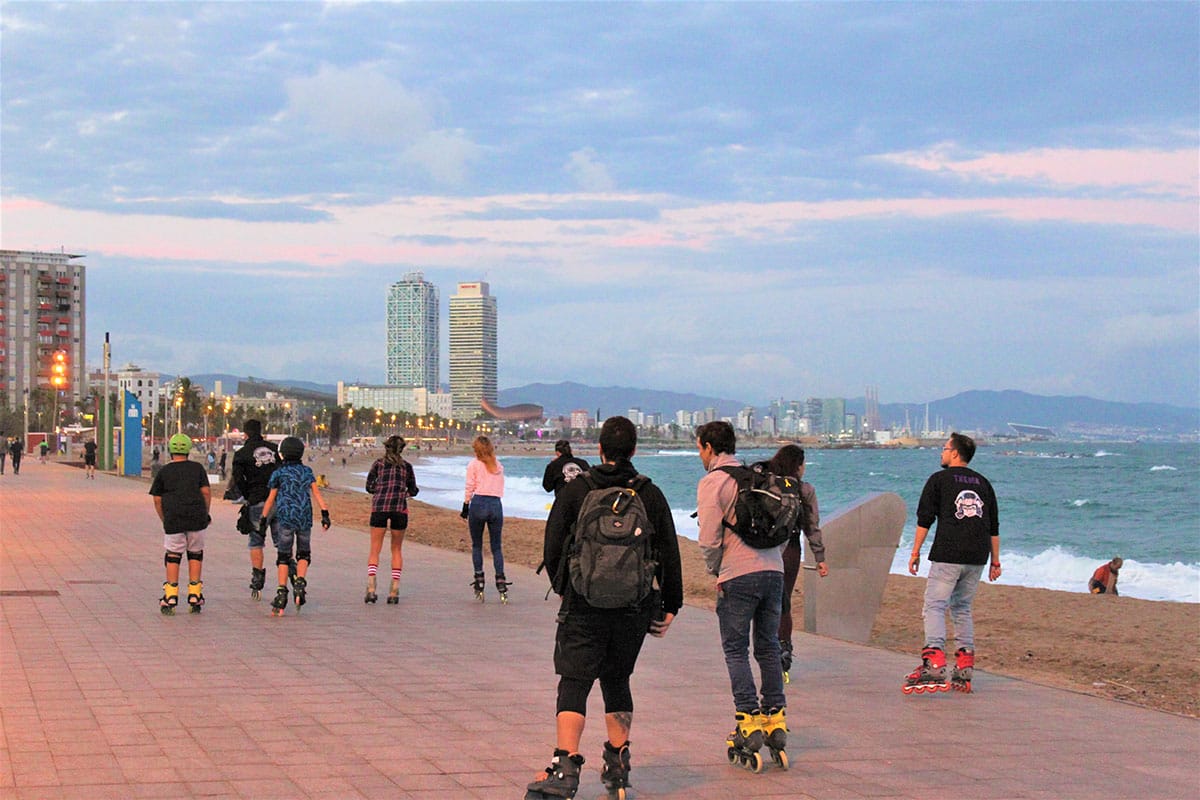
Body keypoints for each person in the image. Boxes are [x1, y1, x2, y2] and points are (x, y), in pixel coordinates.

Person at [526, 416, 683, 800]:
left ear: (599, 449)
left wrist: (565, 588)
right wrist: (670, 604)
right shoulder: (650, 493)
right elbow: (669, 552)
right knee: (617, 679)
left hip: (583, 603)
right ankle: (617, 764)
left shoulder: (577, 490)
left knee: (575, 681)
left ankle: (565, 767)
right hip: (635, 606)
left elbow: (552, 546)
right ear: (633, 450)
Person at [695, 420, 788, 772]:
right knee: (768, 648)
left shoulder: (713, 482)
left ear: (708, 447)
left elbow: (708, 539)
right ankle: (775, 720)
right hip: (774, 570)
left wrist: (717, 571)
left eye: (699, 448)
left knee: (736, 650)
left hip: (738, 575)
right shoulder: (759, 478)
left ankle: (748, 719)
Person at [905, 432, 1001, 695]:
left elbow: (925, 519)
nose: (941, 452)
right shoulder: (983, 483)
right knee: (962, 608)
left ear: (955, 453)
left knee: (934, 605)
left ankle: (933, 661)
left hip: (949, 553)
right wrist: (995, 561)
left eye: (945, 448)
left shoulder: (939, 480)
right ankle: (964, 665)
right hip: (977, 557)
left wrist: (914, 552)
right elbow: (993, 526)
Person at [765, 445, 828, 682]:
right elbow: (812, 526)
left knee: (765, 604)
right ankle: (783, 654)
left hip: (764, 549)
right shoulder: (804, 490)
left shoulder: (767, 484)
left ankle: (766, 653)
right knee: (783, 603)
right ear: (798, 465)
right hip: (790, 551)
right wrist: (820, 558)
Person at [260, 437, 331, 616]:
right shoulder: (306, 471)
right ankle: (300, 583)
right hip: (304, 518)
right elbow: (316, 494)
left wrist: (262, 520)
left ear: (282, 453)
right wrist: (325, 514)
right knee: (303, 553)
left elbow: (270, 499)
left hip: (285, 518)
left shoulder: (278, 473)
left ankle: (282, 593)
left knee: (284, 556)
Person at [148, 434, 211, 614]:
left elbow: (157, 500)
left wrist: (164, 518)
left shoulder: (164, 471)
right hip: (196, 518)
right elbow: (206, 493)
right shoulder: (197, 469)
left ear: (171, 449)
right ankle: (194, 594)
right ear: (189, 449)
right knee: (195, 554)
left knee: (173, 556)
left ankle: (171, 595)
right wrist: (205, 513)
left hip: (173, 518)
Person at [364, 435, 420, 604]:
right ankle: (394, 589)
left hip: (379, 508)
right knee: (396, 549)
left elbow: (369, 486)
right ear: (401, 449)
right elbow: (414, 490)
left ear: (386, 447)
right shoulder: (407, 467)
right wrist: (403, 493)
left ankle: (371, 587)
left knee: (375, 549)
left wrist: (380, 491)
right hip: (399, 509)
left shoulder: (378, 464)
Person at [231, 419, 282, 600]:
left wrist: (248, 495)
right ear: (261, 430)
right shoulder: (275, 450)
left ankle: (257, 579)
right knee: (281, 541)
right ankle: (288, 573)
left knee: (256, 541)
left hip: (256, 501)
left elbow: (237, 479)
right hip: (277, 500)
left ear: (245, 434)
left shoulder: (242, 454)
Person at [462, 435, 508, 602]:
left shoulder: (474, 464)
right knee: (496, 546)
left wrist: (466, 504)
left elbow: (470, 485)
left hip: (479, 502)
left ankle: (479, 579)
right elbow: (500, 486)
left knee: (477, 545)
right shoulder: (498, 465)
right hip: (495, 504)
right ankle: (501, 581)